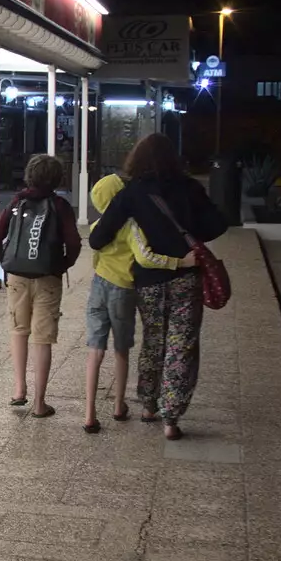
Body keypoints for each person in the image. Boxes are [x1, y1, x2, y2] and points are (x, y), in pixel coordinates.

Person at [89, 134, 226, 440]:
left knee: (154, 340)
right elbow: (219, 224)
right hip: (186, 280)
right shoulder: (190, 188)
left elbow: (97, 239)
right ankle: (171, 419)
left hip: (148, 283)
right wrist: (188, 235)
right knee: (182, 345)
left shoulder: (132, 192)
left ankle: (149, 405)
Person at [82, 173, 188, 434]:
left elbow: (96, 255)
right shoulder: (130, 226)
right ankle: (119, 406)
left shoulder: (98, 226)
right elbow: (144, 257)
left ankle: (89, 414)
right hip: (122, 290)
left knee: (95, 351)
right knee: (121, 349)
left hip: (98, 287)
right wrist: (178, 262)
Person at [0, 154, 81, 416]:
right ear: (57, 178)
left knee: (18, 330)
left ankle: (19, 389)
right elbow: (74, 244)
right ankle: (40, 403)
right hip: (48, 278)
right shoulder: (60, 205)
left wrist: (7, 261)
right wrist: (61, 266)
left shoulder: (17, 202)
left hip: (17, 277)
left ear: (29, 175)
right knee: (43, 339)